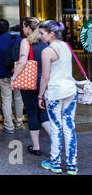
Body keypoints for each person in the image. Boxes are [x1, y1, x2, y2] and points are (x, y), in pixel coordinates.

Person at [38, 20, 78, 175]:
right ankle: (72, 165)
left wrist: (40, 96)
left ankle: (55, 163)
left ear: (51, 34)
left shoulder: (47, 51)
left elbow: (45, 78)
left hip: (55, 92)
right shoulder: (67, 46)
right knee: (69, 127)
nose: (40, 36)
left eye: (42, 33)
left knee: (56, 127)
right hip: (70, 90)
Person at [10, 17, 50, 156]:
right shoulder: (45, 41)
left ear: (28, 27)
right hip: (44, 81)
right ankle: (57, 140)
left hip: (30, 81)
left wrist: (13, 78)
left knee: (32, 113)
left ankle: (36, 147)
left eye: (23, 26)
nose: (22, 29)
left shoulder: (26, 41)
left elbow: (22, 62)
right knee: (43, 112)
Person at [0, 19, 24, 134]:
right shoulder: (18, 39)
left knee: (6, 100)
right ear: (9, 28)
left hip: (3, 73)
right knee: (18, 98)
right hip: (17, 72)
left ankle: (9, 125)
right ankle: (19, 122)